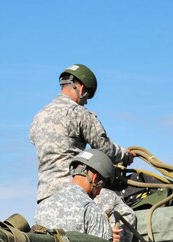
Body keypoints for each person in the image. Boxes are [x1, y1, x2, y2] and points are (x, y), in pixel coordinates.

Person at [30, 64, 134, 203]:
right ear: (82, 89)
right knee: (122, 209)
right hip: (72, 191)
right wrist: (125, 155)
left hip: (45, 196)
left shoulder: (39, 116)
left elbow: (34, 140)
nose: (85, 103)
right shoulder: (79, 113)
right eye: (87, 97)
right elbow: (103, 147)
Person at [34, 150, 121, 242]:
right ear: (95, 178)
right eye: (101, 186)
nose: (98, 194)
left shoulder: (42, 206)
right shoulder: (92, 210)